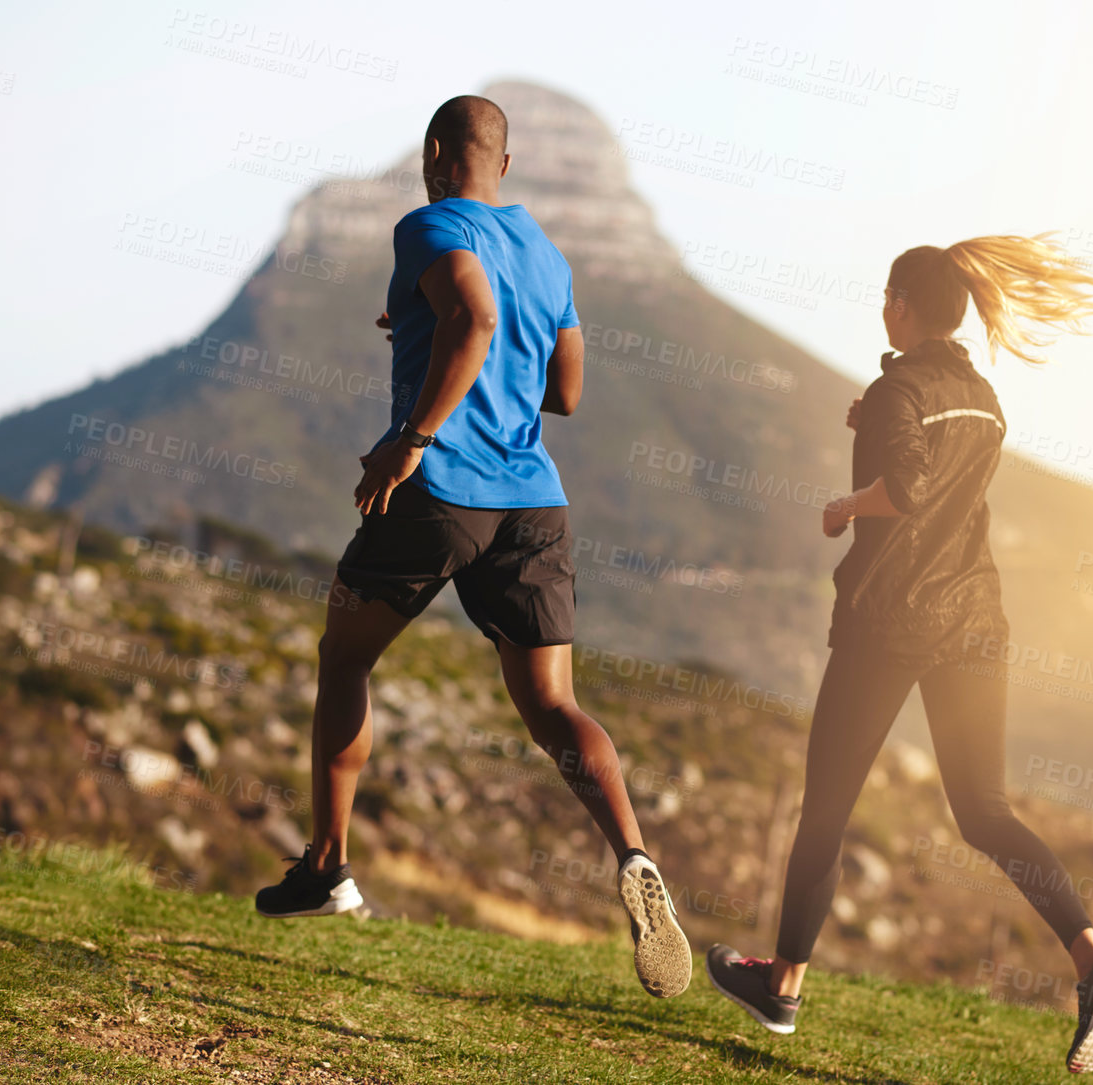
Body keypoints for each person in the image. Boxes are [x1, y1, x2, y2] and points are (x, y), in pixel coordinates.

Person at [254, 95, 692, 1001]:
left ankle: (330, 864)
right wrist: (434, 330)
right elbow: (564, 390)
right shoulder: (546, 250)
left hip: (440, 489)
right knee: (553, 707)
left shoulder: (427, 224)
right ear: (507, 161)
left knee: (344, 653)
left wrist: (410, 434)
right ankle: (634, 853)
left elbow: (476, 321)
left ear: (438, 153)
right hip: (535, 504)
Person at [705, 236, 1093, 1072]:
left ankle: (783, 985)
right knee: (985, 809)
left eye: (885, 295)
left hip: (891, 621)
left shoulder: (897, 386)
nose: (882, 307)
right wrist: (875, 424)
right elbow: (935, 464)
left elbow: (907, 488)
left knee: (826, 809)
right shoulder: (981, 398)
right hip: (975, 621)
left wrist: (843, 505)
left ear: (902, 305)